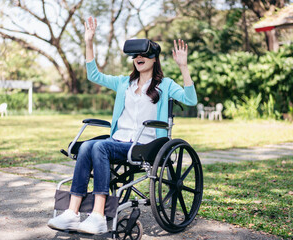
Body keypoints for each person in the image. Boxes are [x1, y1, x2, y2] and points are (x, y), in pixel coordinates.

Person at [48, 16, 197, 235]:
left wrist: (183, 67)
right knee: (87, 146)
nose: (139, 58)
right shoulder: (123, 83)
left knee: (99, 147)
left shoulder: (165, 85)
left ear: (154, 59)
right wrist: (89, 42)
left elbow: (190, 99)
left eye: (144, 54)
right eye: (135, 55)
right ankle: (72, 212)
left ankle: (98, 216)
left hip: (146, 144)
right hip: (119, 141)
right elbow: (93, 74)